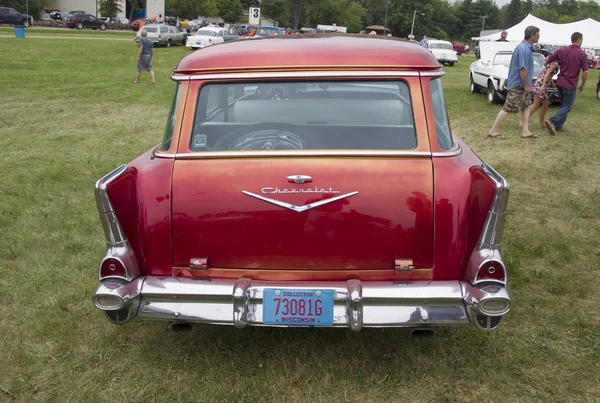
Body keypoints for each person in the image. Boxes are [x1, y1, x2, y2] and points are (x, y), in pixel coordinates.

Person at [487, 25, 540, 139]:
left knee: (526, 106)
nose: (538, 37)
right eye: (537, 34)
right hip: (518, 84)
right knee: (508, 107)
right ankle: (493, 130)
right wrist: (526, 85)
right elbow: (523, 69)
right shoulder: (524, 49)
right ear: (532, 35)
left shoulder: (526, 47)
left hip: (522, 84)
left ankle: (525, 131)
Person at [544, 32, 588, 135]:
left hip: (560, 82)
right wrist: (583, 84)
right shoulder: (582, 54)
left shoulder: (562, 50)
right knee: (567, 106)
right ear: (579, 40)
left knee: (563, 105)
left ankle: (558, 126)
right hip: (570, 83)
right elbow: (585, 72)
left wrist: (546, 68)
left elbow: (547, 59)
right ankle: (552, 120)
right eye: (582, 40)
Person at [529, 60, 559, 129]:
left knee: (545, 104)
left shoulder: (551, 63)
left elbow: (548, 76)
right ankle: (524, 121)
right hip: (541, 85)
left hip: (543, 84)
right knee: (535, 105)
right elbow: (546, 75)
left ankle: (541, 123)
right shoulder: (555, 64)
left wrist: (553, 85)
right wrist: (543, 85)